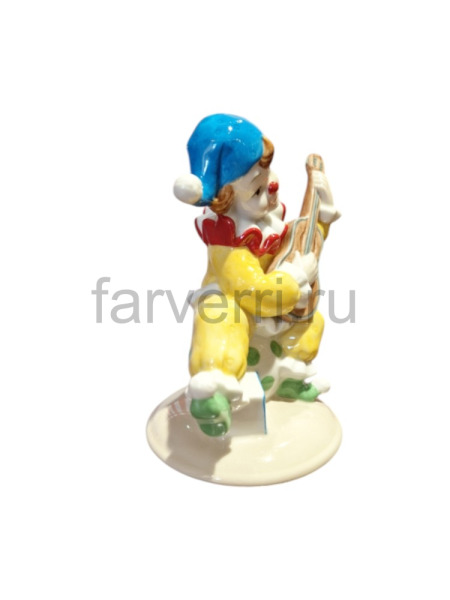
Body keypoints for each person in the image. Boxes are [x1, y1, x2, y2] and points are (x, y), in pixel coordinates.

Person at [174, 114, 340, 436]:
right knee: (221, 318)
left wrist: (323, 213)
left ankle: (288, 378)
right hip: (244, 304)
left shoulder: (266, 221)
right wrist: (294, 277)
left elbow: (301, 241)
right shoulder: (230, 247)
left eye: (268, 175)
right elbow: (254, 292)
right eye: (257, 188)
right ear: (227, 200)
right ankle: (214, 392)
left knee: (311, 323)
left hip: (277, 306)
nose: (272, 186)